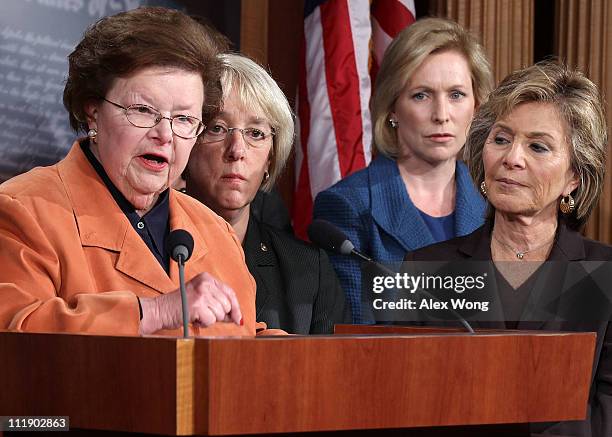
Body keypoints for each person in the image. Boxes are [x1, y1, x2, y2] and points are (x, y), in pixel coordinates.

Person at [0, 7, 266, 337]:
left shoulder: (216, 234)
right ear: (93, 111)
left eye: (183, 119)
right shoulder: (22, 209)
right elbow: (14, 331)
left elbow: (250, 341)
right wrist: (151, 312)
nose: (165, 135)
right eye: (143, 110)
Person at [405, 61, 611, 436]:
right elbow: (405, 404)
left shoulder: (606, 274)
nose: (511, 158)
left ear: (574, 178)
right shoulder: (425, 268)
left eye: (537, 146)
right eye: (501, 139)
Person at [313, 18, 493, 323]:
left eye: (456, 95)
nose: (442, 115)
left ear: (476, 106)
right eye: (421, 95)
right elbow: (354, 339)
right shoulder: (349, 206)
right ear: (393, 108)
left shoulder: (494, 203)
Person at [185, 53, 347, 334]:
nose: (237, 150)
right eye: (218, 128)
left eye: (256, 134)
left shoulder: (309, 271)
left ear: (270, 160)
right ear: (187, 141)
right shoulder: (152, 251)